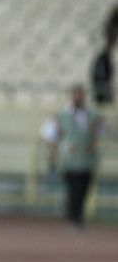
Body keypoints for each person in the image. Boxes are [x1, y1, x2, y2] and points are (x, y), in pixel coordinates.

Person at [42, 85, 103, 228]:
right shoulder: (60, 116)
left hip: (87, 159)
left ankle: (74, 213)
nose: (78, 97)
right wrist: (57, 149)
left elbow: (98, 133)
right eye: (75, 94)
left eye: (80, 94)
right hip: (68, 160)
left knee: (84, 189)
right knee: (74, 189)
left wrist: (93, 142)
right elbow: (48, 135)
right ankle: (75, 217)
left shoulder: (92, 115)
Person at [91, 33, 114, 106]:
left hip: (101, 82)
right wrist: (106, 80)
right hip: (101, 83)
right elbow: (100, 71)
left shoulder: (106, 56)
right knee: (103, 101)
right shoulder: (104, 57)